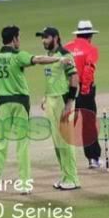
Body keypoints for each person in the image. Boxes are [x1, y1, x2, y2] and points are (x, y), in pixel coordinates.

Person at [0, 25, 72, 198]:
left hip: (3, 104)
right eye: (19, 37)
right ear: (14, 39)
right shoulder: (18, 55)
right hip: (20, 103)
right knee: (22, 144)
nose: (19, 41)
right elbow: (37, 59)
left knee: (0, 145)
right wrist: (57, 60)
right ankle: (24, 184)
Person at [36, 27, 81, 191]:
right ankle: (65, 175)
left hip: (62, 100)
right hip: (51, 100)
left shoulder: (65, 55)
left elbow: (74, 77)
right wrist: (45, 97)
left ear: (56, 38)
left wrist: (70, 101)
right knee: (57, 142)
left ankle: (73, 178)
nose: (43, 40)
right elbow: (52, 80)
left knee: (65, 141)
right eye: (42, 38)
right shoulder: (50, 57)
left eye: (46, 37)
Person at [64, 20, 101, 169]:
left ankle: (66, 162)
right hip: (84, 90)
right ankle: (93, 159)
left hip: (66, 90)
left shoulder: (66, 48)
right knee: (88, 124)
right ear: (90, 35)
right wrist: (84, 90)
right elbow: (88, 71)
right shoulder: (92, 49)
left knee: (67, 125)